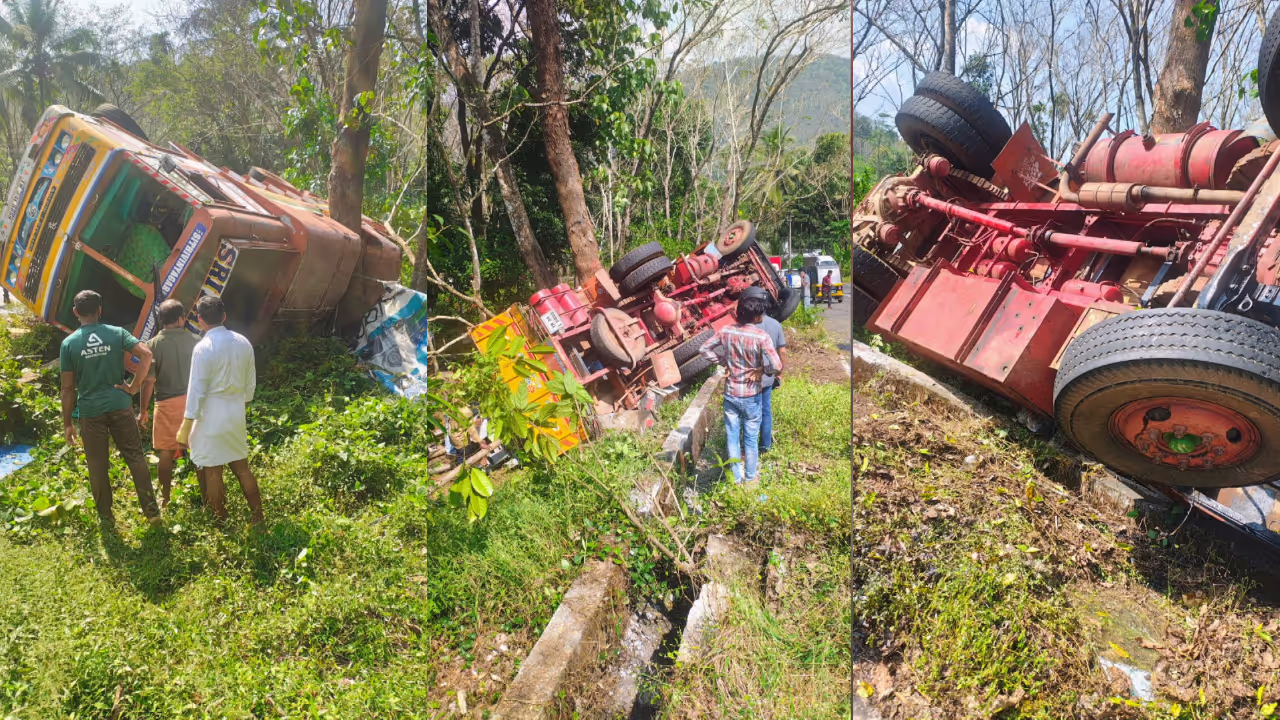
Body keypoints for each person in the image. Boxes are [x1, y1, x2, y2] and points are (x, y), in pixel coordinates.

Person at [59, 290, 160, 527]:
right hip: (120, 405)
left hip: (90, 411)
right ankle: (152, 512)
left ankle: (106, 516)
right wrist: (133, 388)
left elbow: (67, 388)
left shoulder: (69, 344)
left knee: (97, 464)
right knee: (135, 457)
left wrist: (67, 423)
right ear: (100, 310)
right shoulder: (117, 333)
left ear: (76, 313)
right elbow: (146, 355)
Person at [176, 296, 265, 526]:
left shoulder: (202, 348)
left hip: (209, 417)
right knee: (242, 467)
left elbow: (196, 391)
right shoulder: (243, 342)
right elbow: (250, 384)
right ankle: (257, 516)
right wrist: (238, 406)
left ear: (199, 319)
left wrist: (186, 427)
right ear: (224, 316)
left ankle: (221, 520)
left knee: (212, 471)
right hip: (235, 413)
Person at [699, 292, 781, 486]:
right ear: (757, 317)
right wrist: (763, 370)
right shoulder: (762, 337)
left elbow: (703, 349)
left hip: (731, 394)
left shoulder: (726, 331)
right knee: (751, 440)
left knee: (732, 436)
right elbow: (777, 366)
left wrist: (723, 361)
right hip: (752, 395)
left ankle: (736, 478)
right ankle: (751, 478)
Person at [139, 299, 199, 509]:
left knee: (165, 451)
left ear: (161, 320)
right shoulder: (196, 340)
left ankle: (165, 498)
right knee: (197, 449)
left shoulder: (152, 345)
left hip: (165, 403)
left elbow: (148, 382)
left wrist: (143, 410)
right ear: (182, 318)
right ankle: (208, 494)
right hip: (193, 403)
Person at [741, 288, 786, 454]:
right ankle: (765, 445)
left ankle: (747, 446)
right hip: (767, 377)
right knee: (766, 411)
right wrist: (779, 373)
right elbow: (782, 352)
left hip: (747, 378)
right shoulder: (775, 324)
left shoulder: (742, 326)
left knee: (747, 413)